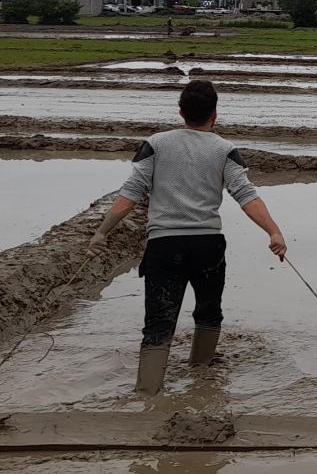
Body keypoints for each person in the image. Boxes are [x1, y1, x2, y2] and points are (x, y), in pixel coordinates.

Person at [90, 80, 289, 394]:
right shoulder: (225, 150)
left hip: (164, 245)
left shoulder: (155, 144)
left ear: (181, 112)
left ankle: (148, 393)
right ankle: (201, 377)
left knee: (159, 319)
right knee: (209, 311)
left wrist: (101, 233)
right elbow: (246, 196)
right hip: (207, 246)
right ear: (215, 114)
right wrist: (273, 231)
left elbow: (128, 195)